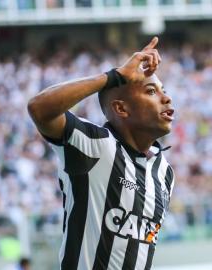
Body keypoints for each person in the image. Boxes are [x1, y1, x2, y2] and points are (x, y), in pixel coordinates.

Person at [27, 37, 176, 270]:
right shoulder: (95, 145)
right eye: (151, 91)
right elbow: (39, 108)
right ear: (120, 108)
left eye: (163, 91)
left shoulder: (165, 172)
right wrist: (113, 76)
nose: (166, 98)